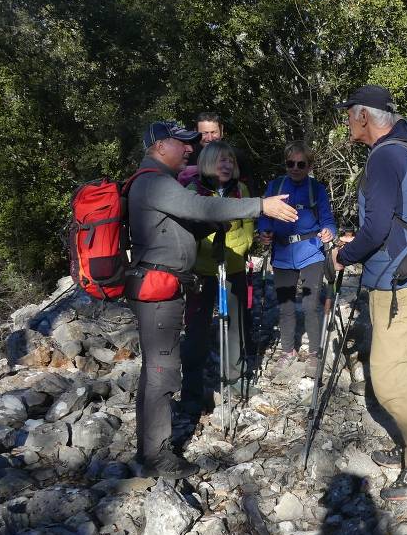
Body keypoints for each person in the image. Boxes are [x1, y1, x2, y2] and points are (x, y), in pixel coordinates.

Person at [126, 121, 297, 480]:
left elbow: (179, 227)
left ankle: (150, 448)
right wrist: (260, 205)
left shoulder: (154, 182)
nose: (190, 150)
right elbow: (200, 208)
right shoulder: (155, 181)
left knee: (158, 368)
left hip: (162, 284)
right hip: (158, 288)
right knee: (162, 370)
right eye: (182, 144)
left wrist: (208, 228)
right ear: (159, 146)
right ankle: (156, 455)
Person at [330, 85, 407, 501]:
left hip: (396, 281)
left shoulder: (383, 157)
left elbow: (377, 229)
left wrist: (345, 254)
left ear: (363, 117)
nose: (347, 123)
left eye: (349, 116)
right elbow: (395, 219)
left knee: (390, 378)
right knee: (396, 367)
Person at [177, 141, 254, 407]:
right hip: (202, 270)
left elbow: (248, 228)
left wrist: (239, 249)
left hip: (233, 268)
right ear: (208, 163)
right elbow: (186, 230)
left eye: (230, 161)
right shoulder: (193, 192)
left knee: (236, 326)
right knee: (196, 330)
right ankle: (192, 391)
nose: (227, 165)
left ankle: (234, 380)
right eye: (221, 160)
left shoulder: (241, 191)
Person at [257, 141, 337, 371]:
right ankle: (287, 350)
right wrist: (264, 231)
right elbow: (263, 215)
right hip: (282, 253)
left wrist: (329, 232)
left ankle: (314, 352)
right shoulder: (275, 185)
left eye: (301, 164)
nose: (295, 168)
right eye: (290, 163)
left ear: (310, 166)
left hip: (311, 251)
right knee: (286, 305)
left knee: (311, 304)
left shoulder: (316, 189)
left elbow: (328, 219)